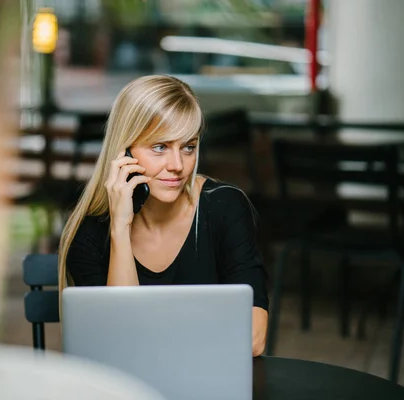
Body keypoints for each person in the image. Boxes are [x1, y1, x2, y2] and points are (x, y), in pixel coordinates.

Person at [58, 75, 269, 356]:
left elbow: (254, 338)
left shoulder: (224, 207)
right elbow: (120, 342)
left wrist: (151, 335)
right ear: (124, 150)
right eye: (159, 147)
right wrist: (120, 228)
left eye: (188, 147)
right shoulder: (90, 231)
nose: (177, 165)